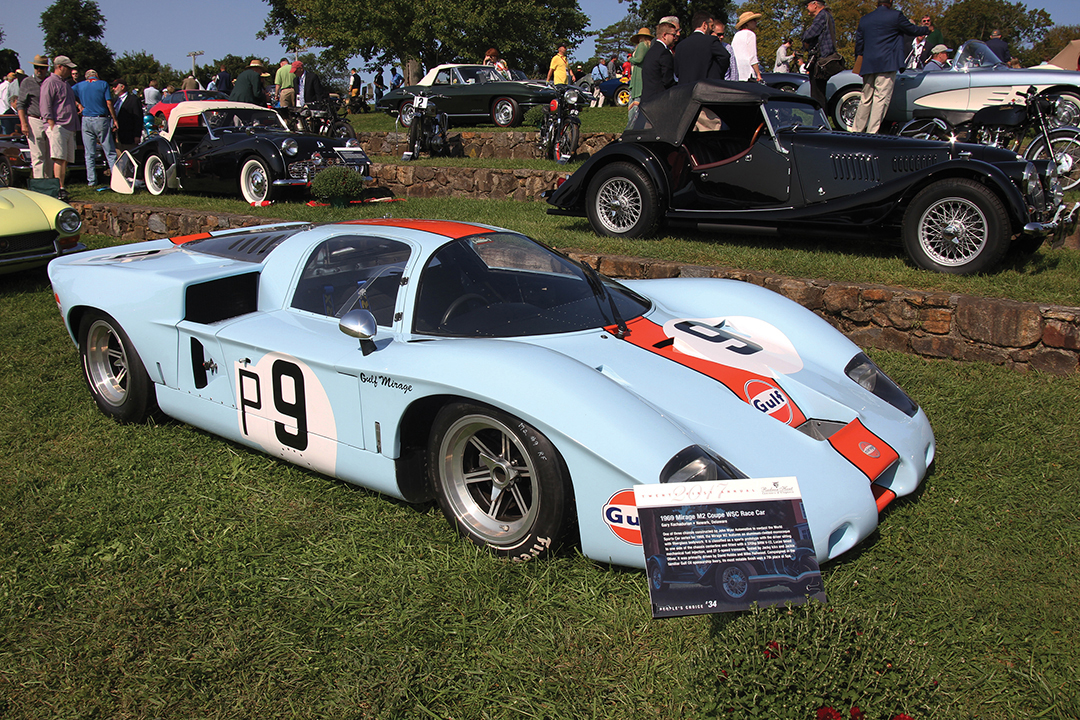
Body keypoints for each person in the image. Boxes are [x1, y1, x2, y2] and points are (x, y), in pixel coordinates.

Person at [853, 0, 928, 133]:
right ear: (890, 2)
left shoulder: (865, 19)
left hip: (868, 64)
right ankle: (872, 132)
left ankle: (856, 131)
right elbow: (912, 30)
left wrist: (859, 61)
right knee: (880, 98)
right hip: (887, 63)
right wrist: (927, 29)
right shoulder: (896, 16)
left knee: (865, 98)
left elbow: (859, 44)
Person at [39, 55, 80, 200]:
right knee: (59, 157)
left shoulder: (65, 84)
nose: (69, 71)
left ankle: (62, 185)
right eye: (67, 68)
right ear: (60, 67)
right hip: (58, 124)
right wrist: (51, 122)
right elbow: (45, 103)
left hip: (68, 125)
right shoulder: (50, 82)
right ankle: (59, 187)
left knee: (65, 158)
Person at [72, 69, 118, 186]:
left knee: (89, 153)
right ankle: (116, 179)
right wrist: (114, 119)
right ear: (96, 75)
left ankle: (91, 180)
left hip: (86, 119)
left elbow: (69, 93)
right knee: (109, 151)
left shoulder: (80, 85)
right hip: (101, 119)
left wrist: (78, 104)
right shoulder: (103, 84)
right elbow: (108, 102)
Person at [16, 55, 53, 178]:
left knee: (50, 155)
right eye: (36, 67)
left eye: (42, 68)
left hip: (50, 120)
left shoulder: (50, 82)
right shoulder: (27, 82)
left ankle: (49, 182)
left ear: (46, 69)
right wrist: (24, 123)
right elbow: (20, 104)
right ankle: (39, 182)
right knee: (38, 155)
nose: (39, 70)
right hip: (35, 119)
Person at [675, 11, 731, 86]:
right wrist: (715, 76)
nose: (712, 30)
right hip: (705, 87)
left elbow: (677, 72)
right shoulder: (711, 41)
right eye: (711, 26)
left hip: (685, 89)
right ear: (705, 25)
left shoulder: (680, 46)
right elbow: (725, 56)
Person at [803, 0, 838, 106]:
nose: (807, 8)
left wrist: (804, 36)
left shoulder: (821, 16)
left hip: (820, 60)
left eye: (808, 5)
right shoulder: (827, 16)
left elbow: (808, 35)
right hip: (825, 59)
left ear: (815, 4)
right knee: (820, 93)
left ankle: (819, 116)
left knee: (817, 95)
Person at [639, 20, 677, 103]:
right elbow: (667, 81)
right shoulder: (664, 53)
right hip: (659, 101)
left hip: (647, 99)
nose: (675, 38)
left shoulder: (651, 51)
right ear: (664, 35)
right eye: (673, 35)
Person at [628, 26, 653, 118]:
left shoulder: (642, 45)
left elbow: (638, 59)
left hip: (638, 75)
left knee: (635, 101)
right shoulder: (649, 46)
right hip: (643, 74)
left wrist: (630, 59)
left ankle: (632, 122)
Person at [732, 12, 763, 82]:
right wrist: (758, 74)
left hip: (737, 72)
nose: (756, 22)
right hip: (748, 72)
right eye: (754, 20)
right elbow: (752, 57)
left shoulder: (736, 35)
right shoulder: (750, 34)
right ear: (747, 23)